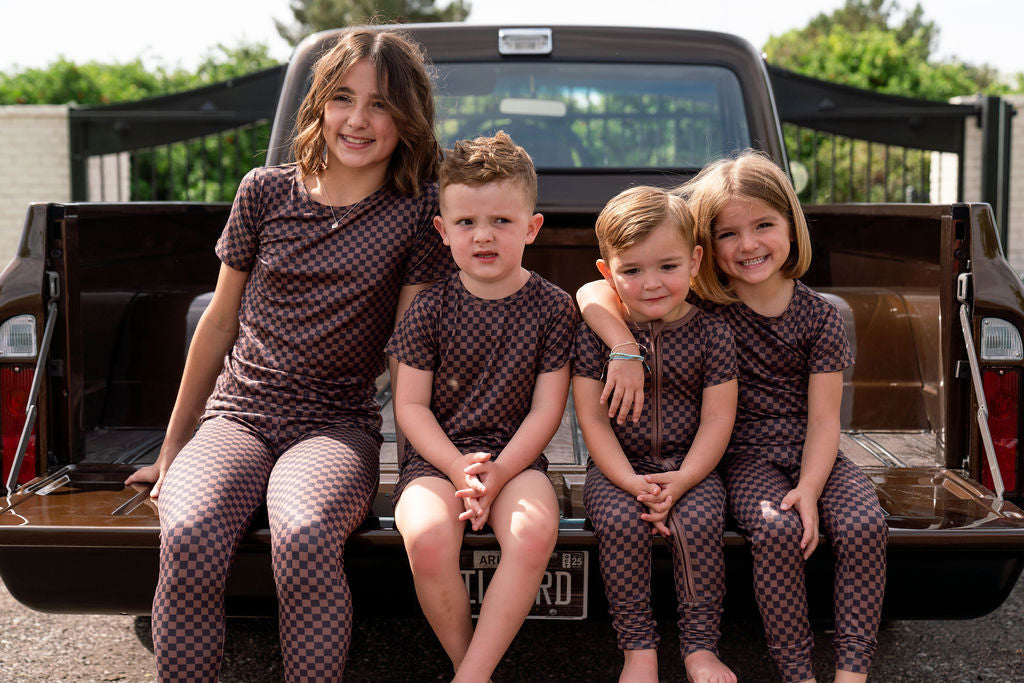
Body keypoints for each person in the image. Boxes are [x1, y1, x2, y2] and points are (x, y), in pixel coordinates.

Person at [124, 28, 455, 682]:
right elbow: (218, 322)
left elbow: (411, 347)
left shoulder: (418, 209)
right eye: (343, 98)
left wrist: (427, 466)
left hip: (335, 425)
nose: (358, 120)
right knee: (187, 535)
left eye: (381, 105)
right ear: (319, 104)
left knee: (303, 536)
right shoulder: (264, 191)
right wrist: (173, 446)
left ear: (408, 117)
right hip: (237, 418)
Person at [577, 150, 888, 683]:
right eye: (729, 233)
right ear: (706, 248)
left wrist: (810, 487)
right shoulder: (698, 306)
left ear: (791, 225)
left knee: (864, 525)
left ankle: (852, 672)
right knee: (775, 530)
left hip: (809, 454)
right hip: (743, 458)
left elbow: (824, 422)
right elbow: (593, 289)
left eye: (763, 225)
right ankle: (797, 673)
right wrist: (623, 345)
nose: (748, 245)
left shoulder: (819, 318)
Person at [385, 131, 575, 682]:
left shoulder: (553, 308)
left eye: (501, 221)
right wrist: (455, 467)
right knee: (427, 539)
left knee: (534, 533)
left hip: (517, 461)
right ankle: (470, 668)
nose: (483, 235)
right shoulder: (428, 309)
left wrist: (501, 471)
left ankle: (471, 676)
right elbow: (410, 406)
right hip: (435, 462)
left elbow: (546, 410)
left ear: (532, 228)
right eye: (466, 222)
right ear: (443, 231)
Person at [573, 185, 738, 683]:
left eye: (668, 266)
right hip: (617, 469)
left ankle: (700, 648)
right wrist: (629, 482)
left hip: (691, 467)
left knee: (701, 522)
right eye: (632, 270)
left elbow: (718, 420)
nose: (651, 284)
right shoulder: (596, 334)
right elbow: (592, 420)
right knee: (620, 524)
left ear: (695, 261)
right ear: (607, 273)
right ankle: (638, 650)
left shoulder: (712, 334)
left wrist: (684, 479)